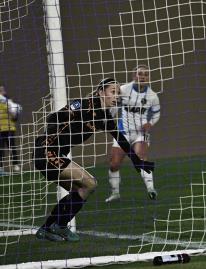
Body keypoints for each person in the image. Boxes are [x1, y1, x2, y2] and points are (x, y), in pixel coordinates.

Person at [34, 78, 154, 242]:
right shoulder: (84, 105)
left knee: (80, 190)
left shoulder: (104, 117)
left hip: (55, 155)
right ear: (100, 92)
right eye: (113, 91)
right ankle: (60, 226)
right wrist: (65, 119)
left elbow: (121, 139)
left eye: (118, 92)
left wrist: (137, 161)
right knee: (91, 183)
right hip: (47, 151)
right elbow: (52, 118)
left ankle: (46, 229)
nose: (116, 96)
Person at [105, 65, 160, 202]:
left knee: (141, 158)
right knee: (114, 164)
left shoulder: (152, 96)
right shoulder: (123, 90)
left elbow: (157, 113)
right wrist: (108, 117)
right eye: (140, 74)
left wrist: (150, 123)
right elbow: (113, 104)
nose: (142, 76)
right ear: (133, 76)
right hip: (123, 132)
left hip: (140, 133)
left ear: (148, 78)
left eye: (146, 74)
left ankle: (151, 189)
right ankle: (115, 193)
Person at [0, 85, 22, 174]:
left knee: (12, 147)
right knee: (0, 149)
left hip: (9, 128)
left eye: (2, 90)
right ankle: (0, 168)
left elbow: (15, 116)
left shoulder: (9, 102)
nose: (2, 91)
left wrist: (14, 110)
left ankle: (16, 166)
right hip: (0, 129)